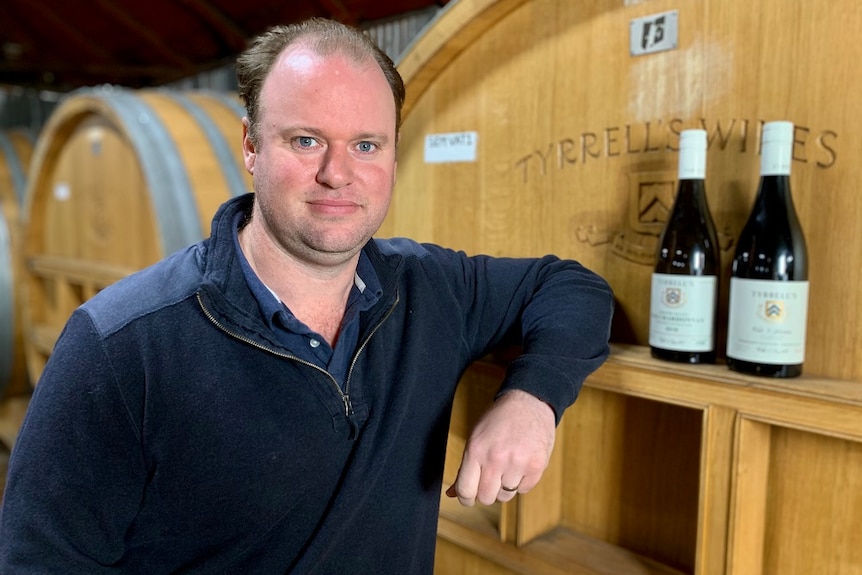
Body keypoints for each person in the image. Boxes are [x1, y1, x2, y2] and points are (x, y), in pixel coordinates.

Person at [0, 17, 613, 574]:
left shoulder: (430, 289)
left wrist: (534, 398)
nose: (338, 174)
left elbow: (570, 286)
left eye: (366, 145)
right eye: (306, 141)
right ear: (250, 145)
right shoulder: (120, 344)